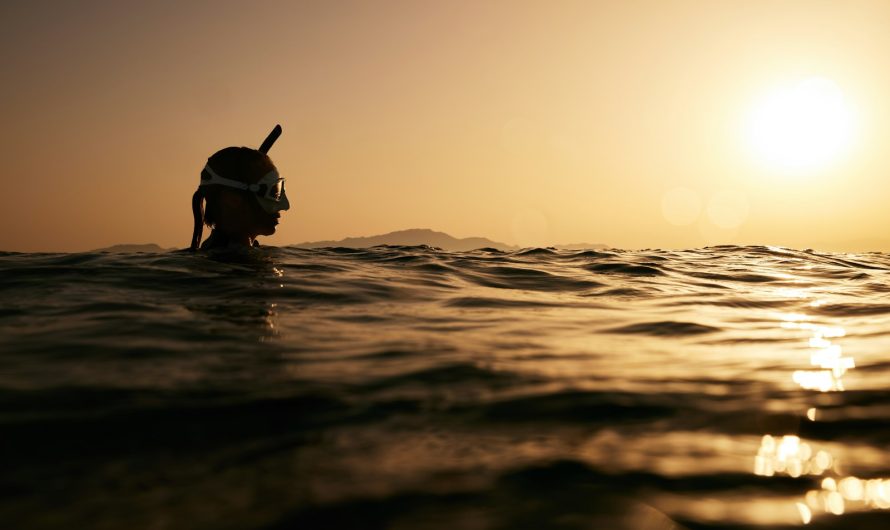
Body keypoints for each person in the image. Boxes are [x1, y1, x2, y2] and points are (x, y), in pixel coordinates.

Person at [189, 125, 290, 250]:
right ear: (232, 200)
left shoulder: (219, 251)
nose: (285, 206)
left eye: (280, 190)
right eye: (273, 193)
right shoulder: (231, 261)